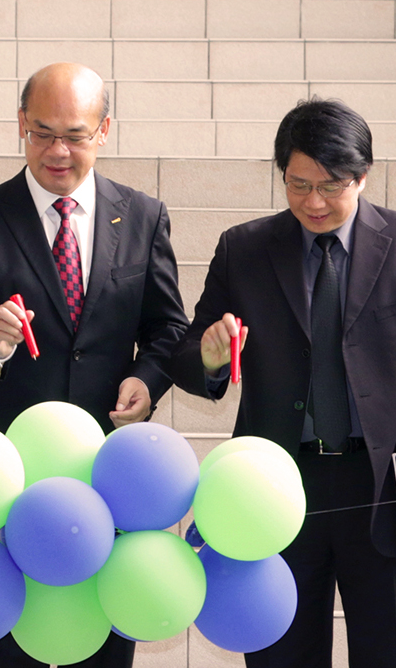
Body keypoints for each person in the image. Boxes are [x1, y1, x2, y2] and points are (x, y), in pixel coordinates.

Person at [0, 62, 188, 668]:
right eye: (41, 133)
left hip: (108, 478)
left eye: (74, 134)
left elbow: (167, 328)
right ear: (20, 124)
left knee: (100, 643)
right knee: (6, 645)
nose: (57, 151)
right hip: (7, 479)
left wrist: (146, 381)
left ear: (104, 131)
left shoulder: (144, 217)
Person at [169, 97, 396, 667]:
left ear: (364, 175)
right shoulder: (244, 248)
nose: (313, 202)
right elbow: (188, 355)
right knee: (281, 652)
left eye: (330, 186)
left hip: (380, 486)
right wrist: (212, 356)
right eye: (297, 184)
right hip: (274, 488)